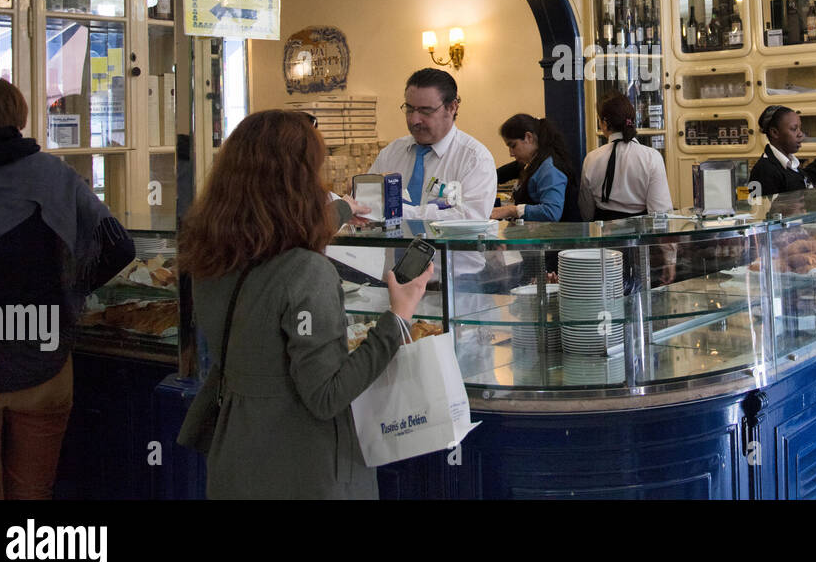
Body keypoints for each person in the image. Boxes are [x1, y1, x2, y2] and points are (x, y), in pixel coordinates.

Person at [178, 109, 432, 498]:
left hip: (235, 455)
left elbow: (274, 232)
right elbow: (327, 395)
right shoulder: (307, 272)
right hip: (302, 466)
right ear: (299, 182)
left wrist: (343, 209)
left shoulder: (212, 254)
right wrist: (398, 317)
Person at [0, 74, 135, 499]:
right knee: (34, 496)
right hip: (46, 365)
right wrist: (67, 294)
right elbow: (118, 247)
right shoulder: (52, 173)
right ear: (16, 114)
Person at [370, 68, 497, 222]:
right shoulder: (391, 153)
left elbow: (470, 217)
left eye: (426, 111)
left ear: (452, 108)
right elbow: (367, 206)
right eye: (409, 109)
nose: (414, 120)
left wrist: (399, 211)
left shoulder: (474, 158)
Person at [579, 94, 672, 220]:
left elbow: (586, 213)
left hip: (602, 231)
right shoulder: (652, 158)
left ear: (604, 124)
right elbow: (660, 212)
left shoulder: (591, 159)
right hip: (641, 231)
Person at [491, 113, 580, 222]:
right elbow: (500, 174)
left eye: (513, 146)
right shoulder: (532, 162)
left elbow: (551, 212)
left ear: (529, 137)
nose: (511, 153)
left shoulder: (549, 169)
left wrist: (511, 210)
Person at [748, 105, 811, 197]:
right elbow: (758, 204)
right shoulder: (763, 171)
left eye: (800, 128)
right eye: (794, 129)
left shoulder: (791, 164)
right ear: (774, 132)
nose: (800, 134)